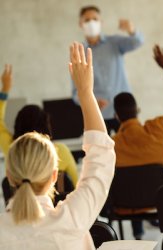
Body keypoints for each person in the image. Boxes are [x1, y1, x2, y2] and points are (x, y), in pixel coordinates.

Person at [0, 43, 115, 250]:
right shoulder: (72, 219)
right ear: (54, 176)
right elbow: (101, 157)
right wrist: (85, 92)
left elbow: (101, 155)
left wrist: (4, 91)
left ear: (9, 176)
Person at [112, 45, 163, 239]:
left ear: (116, 116)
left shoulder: (111, 146)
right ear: (137, 111)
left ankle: (135, 236)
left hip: (124, 206)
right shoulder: (161, 129)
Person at [0, 65, 78, 187]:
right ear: (46, 126)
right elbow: (77, 185)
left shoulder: (11, 150)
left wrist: (4, 90)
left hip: (20, 206)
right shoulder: (60, 152)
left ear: (17, 126)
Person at [72, 5, 144, 134]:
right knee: (102, 152)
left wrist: (131, 30)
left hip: (124, 112)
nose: (91, 23)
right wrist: (87, 99)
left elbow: (137, 42)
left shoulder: (114, 42)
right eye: (87, 20)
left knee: (131, 148)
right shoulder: (79, 52)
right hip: (98, 114)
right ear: (80, 24)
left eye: (94, 19)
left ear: (101, 22)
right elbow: (75, 90)